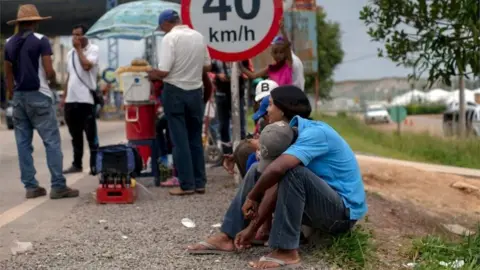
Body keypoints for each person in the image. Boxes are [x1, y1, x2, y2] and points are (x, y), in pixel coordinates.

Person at [187, 85, 367, 269]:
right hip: (321, 206)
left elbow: (279, 171)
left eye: (271, 104)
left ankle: (287, 250)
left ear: (282, 109)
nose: (266, 109)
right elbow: (274, 184)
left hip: (342, 214)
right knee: (258, 168)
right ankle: (228, 235)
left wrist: (253, 197)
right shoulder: (288, 134)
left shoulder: (315, 133)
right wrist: (251, 228)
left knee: (293, 173)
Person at [3, 4, 79, 199]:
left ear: (19, 23)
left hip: (19, 98)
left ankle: (31, 187)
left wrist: (13, 94)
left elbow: (8, 74)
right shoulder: (41, 40)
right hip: (39, 95)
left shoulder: (9, 42)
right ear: (36, 22)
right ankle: (58, 186)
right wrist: (51, 79)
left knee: (23, 144)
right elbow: (49, 70)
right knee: (51, 142)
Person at [147, 9, 211, 196]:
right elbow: (207, 65)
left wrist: (152, 74)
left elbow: (164, 71)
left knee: (180, 140)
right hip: (195, 92)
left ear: (167, 23)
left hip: (175, 92)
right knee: (195, 139)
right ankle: (200, 183)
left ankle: (186, 185)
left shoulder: (170, 39)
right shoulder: (198, 36)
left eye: (162, 27)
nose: (163, 31)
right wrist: (191, 67)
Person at [62, 24, 100, 175]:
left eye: (78, 35)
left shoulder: (93, 49)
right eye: (73, 35)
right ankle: (77, 164)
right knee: (75, 135)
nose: (75, 38)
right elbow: (70, 75)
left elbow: (86, 66)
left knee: (91, 135)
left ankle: (95, 165)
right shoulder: (69, 53)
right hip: (71, 101)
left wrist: (78, 49)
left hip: (86, 100)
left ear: (85, 36)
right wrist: (64, 96)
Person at [211, 60, 251, 155]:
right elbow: (210, 69)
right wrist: (218, 75)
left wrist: (239, 73)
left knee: (240, 124)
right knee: (223, 125)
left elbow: (247, 68)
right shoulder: (215, 56)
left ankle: (242, 153)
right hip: (221, 92)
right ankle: (227, 153)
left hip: (237, 93)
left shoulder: (240, 54)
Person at [240, 21, 293, 86]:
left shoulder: (288, 63)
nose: (278, 55)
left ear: (285, 53)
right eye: (275, 52)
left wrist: (282, 30)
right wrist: (240, 66)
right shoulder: (270, 68)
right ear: (272, 54)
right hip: (275, 95)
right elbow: (253, 75)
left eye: (281, 52)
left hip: (286, 95)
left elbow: (287, 44)